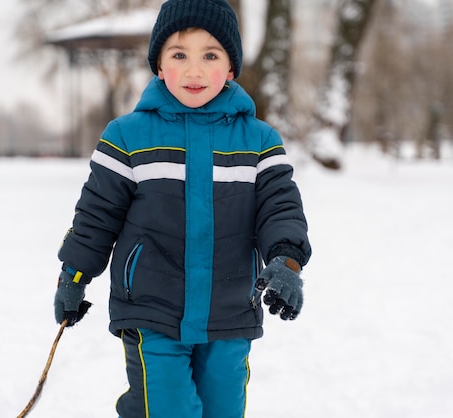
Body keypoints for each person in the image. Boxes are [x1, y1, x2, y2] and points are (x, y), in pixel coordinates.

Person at [53, 0, 311, 416]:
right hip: (151, 310)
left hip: (229, 311)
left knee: (222, 410)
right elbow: (96, 216)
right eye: (179, 55)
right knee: (168, 408)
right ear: (159, 66)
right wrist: (74, 274)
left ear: (230, 68)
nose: (194, 70)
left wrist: (286, 260)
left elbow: (280, 208)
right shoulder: (127, 137)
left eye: (210, 55)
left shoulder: (260, 141)